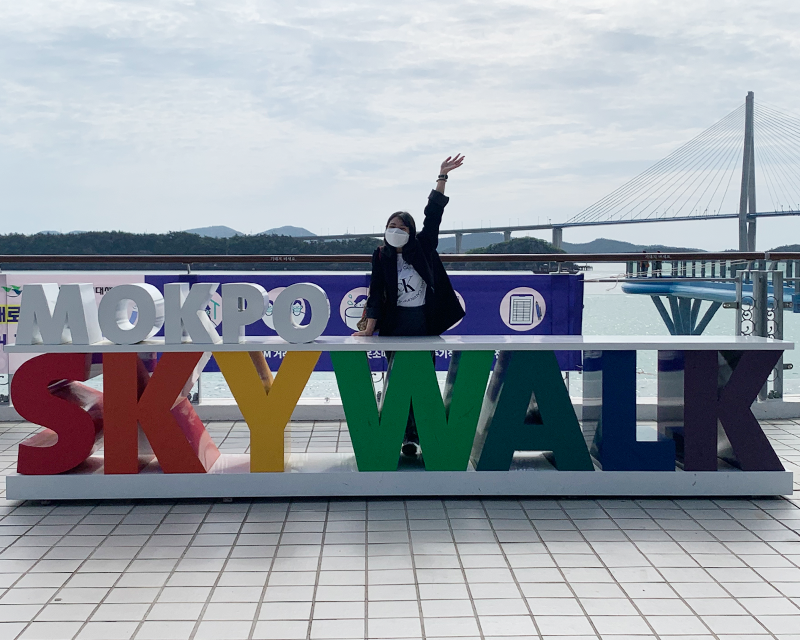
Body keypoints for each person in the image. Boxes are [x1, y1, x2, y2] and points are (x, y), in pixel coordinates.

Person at [352, 154, 466, 457]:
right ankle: (401, 434)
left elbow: (434, 214)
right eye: (391, 225)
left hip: (423, 323)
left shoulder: (424, 246)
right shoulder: (381, 255)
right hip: (395, 325)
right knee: (397, 379)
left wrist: (442, 177)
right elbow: (375, 294)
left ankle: (419, 436)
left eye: (401, 226)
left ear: (411, 231)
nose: (395, 230)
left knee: (422, 379)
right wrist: (368, 328)